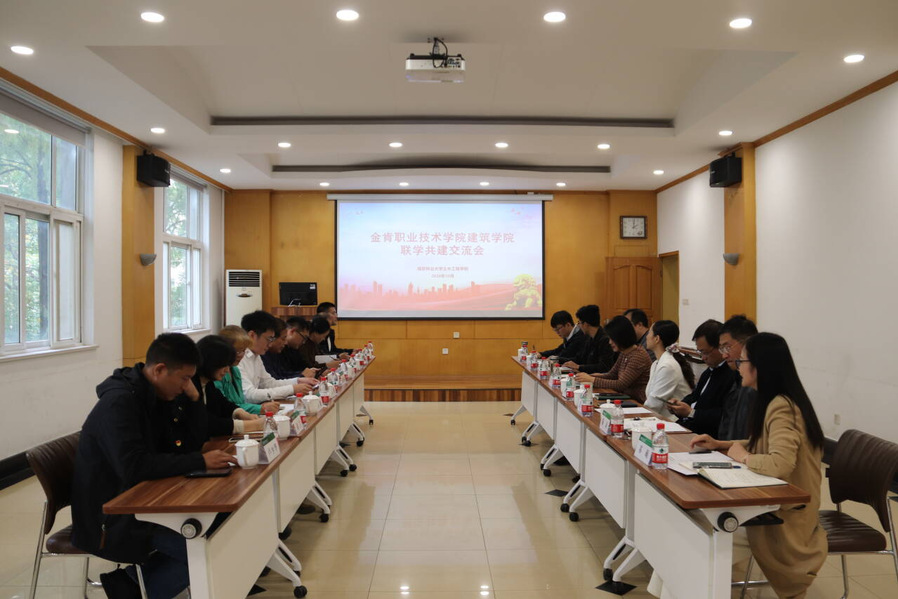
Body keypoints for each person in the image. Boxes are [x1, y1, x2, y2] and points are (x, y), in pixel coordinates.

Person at [71, 333, 234, 599]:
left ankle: (130, 583)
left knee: (221, 525)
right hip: (112, 515)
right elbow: (134, 466)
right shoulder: (120, 403)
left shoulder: (158, 395)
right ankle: (133, 588)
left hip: (146, 497)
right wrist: (200, 460)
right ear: (159, 370)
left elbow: (186, 445)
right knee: (206, 549)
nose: (186, 385)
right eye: (184, 379)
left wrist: (194, 401)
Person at [690, 333, 827, 599]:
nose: (738, 366)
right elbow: (759, 443)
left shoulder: (782, 407)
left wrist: (743, 457)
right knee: (695, 534)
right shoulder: (775, 400)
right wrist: (720, 444)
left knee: (699, 541)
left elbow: (780, 463)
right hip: (774, 505)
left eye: (742, 361)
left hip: (785, 518)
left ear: (759, 367)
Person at [667, 319, 737, 435]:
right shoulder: (709, 371)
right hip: (689, 427)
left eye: (705, 352)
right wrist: (678, 405)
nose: (703, 358)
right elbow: (695, 397)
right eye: (700, 352)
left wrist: (691, 413)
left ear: (719, 347)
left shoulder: (732, 375)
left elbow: (725, 415)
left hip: (706, 434)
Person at [193, 335, 264, 436]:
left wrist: (240, 412)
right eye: (223, 365)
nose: (227, 370)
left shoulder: (208, 383)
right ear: (211, 362)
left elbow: (223, 404)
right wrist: (250, 425)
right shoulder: (192, 384)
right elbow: (206, 421)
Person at [238, 310, 314, 403]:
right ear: (252, 335)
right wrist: (292, 389)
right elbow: (249, 395)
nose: (270, 344)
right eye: (269, 339)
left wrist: (297, 381)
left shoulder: (256, 355)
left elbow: (269, 383)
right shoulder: (238, 358)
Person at [575, 315, 651, 402]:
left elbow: (620, 384)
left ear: (622, 337)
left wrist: (592, 380)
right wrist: (587, 377)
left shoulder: (638, 356)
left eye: (612, 339)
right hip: (626, 398)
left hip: (637, 402)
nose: (610, 342)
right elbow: (612, 375)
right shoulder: (625, 352)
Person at [216, 325, 281, 416]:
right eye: (238, 351)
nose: (241, 355)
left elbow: (241, 403)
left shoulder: (235, 370)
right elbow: (224, 407)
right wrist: (260, 408)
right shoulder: (217, 373)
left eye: (243, 351)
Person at [717, 315, 759, 440]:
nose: (724, 355)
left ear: (747, 343)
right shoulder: (736, 377)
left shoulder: (754, 384)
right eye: (721, 349)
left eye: (727, 347)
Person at [642, 320, 695, 418]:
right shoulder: (656, 363)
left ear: (657, 339)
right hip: (659, 418)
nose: (646, 337)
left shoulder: (667, 366)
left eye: (649, 333)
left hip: (674, 421)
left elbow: (654, 404)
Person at [562, 304, 616, 374]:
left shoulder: (605, 340)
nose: (579, 326)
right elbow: (580, 358)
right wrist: (559, 360)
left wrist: (579, 367)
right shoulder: (588, 338)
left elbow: (604, 367)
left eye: (579, 323)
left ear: (586, 324)